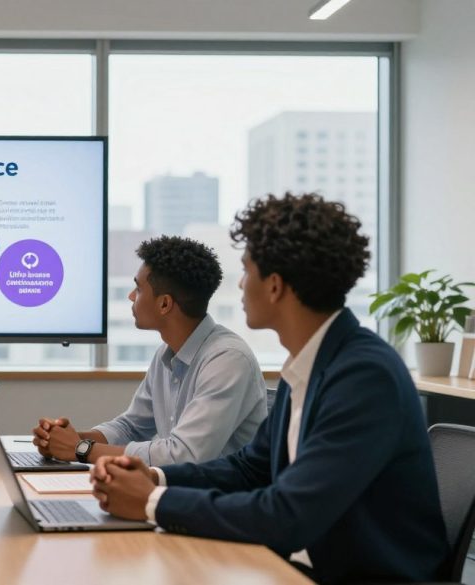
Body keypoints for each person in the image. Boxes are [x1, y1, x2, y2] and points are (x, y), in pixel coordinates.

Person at [90, 194, 449, 583]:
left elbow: (288, 515)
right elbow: (249, 468)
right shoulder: (311, 364)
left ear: (275, 285)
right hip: (296, 566)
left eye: (246, 270)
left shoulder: (364, 375)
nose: (241, 284)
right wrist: (155, 478)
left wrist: (152, 502)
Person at [32, 235, 267, 466]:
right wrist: (70, 440)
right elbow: (132, 427)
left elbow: (182, 455)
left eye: (138, 289)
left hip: (217, 498)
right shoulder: (168, 353)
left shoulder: (227, 361)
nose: (131, 296)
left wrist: (80, 450)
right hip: (178, 492)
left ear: (164, 304)